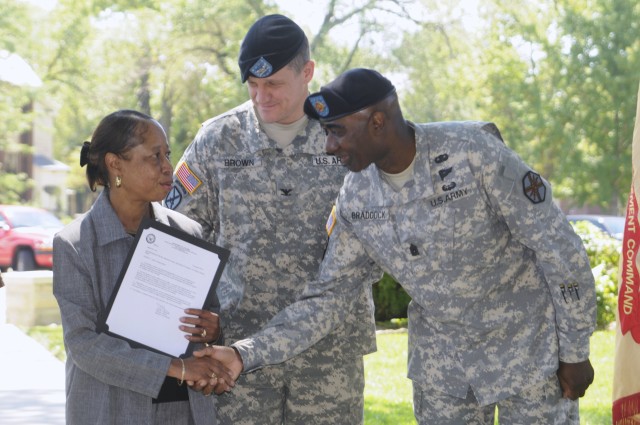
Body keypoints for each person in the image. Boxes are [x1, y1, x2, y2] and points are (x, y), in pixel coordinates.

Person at [199, 68, 598, 424]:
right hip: (444, 370)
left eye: (337, 131)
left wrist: (575, 350)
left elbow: (558, 249)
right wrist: (243, 353)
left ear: (377, 122)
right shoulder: (356, 197)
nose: (328, 147)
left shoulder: (472, 153)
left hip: (526, 354)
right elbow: (328, 298)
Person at [164, 14, 379, 425]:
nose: (262, 96)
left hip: (329, 354)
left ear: (308, 73)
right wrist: (199, 312)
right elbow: (178, 235)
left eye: (274, 84)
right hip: (236, 352)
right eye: (253, 84)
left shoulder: (346, 136)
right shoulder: (217, 139)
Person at [53, 110, 234, 425]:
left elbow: (206, 328)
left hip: (184, 411)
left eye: (168, 155)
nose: (168, 167)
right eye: (155, 157)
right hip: (110, 411)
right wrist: (175, 368)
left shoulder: (187, 232)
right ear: (115, 163)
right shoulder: (74, 244)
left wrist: (212, 330)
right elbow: (84, 345)